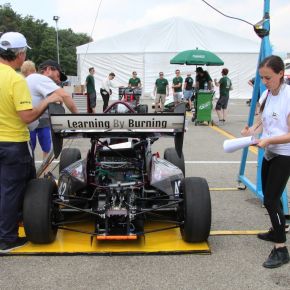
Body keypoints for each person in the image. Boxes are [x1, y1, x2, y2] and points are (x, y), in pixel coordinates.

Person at [0, 32, 63, 252]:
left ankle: (14, 224)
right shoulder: (15, 79)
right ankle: (7, 239)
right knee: (13, 190)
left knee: (4, 188)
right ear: (20, 54)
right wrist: (47, 101)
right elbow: (27, 116)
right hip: (13, 142)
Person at [241, 55, 290, 268]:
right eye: (262, 78)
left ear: (281, 74)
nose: (265, 82)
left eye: (268, 78)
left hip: (285, 154)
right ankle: (275, 229)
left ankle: (281, 249)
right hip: (269, 151)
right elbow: (262, 121)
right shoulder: (266, 94)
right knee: (271, 197)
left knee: (270, 201)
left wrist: (268, 139)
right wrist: (251, 131)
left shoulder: (289, 97)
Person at [24, 59, 78, 160]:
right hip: (24, 128)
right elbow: (65, 96)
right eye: (58, 76)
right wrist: (79, 119)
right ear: (48, 70)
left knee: (30, 156)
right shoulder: (40, 79)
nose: (59, 80)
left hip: (29, 125)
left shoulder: (34, 79)